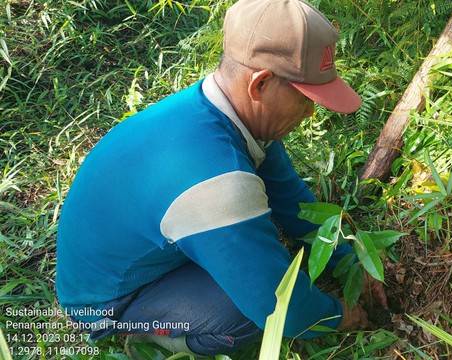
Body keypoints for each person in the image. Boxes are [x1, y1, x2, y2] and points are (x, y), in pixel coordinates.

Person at [55, 0, 388, 356]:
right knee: (243, 317)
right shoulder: (217, 181)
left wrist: (354, 267)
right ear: (260, 84)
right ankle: (146, 336)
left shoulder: (221, 113)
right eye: (305, 99)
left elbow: (294, 203)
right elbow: (281, 310)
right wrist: (341, 316)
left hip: (125, 246)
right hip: (106, 300)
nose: (310, 113)